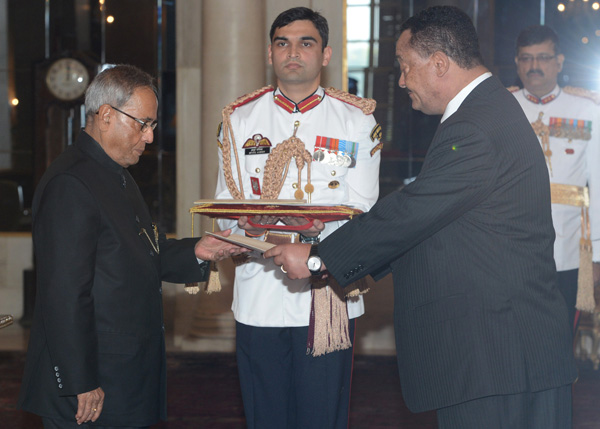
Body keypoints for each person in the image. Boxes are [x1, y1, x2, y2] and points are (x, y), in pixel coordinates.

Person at [265, 6, 577, 428]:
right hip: (504, 353)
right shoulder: (486, 110)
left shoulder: (476, 124)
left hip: (497, 357)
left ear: (440, 64)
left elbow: (415, 209)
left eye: (406, 67)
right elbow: (437, 220)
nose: (402, 80)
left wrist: (319, 257)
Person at [17, 64, 246, 428]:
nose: (150, 137)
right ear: (106, 116)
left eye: (152, 125)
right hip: (91, 382)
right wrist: (81, 380)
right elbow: (64, 294)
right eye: (143, 123)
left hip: (122, 372)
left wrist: (198, 251)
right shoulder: (71, 183)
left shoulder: (114, 173)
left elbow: (137, 253)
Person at [214, 7, 381, 429]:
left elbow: (365, 211)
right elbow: (225, 209)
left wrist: (305, 239)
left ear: (325, 54)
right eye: (283, 43)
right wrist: (241, 230)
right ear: (269, 53)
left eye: (306, 43)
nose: (294, 52)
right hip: (259, 294)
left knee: (323, 417)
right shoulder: (240, 119)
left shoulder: (357, 120)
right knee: (264, 416)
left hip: (325, 296)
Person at [511, 25, 600, 331]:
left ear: (560, 62)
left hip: (568, 251)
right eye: (526, 58)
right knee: (512, 341)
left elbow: (598, 186)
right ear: (517, 63)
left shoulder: (587, 110)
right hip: (509, 249)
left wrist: (597, 254)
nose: (534, 66)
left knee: (560, 342)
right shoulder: (501, 108)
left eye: (544, 57)